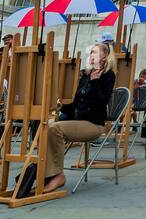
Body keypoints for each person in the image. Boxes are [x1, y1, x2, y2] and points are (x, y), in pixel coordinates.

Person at [43, 43, 117, 193]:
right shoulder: (86, 75)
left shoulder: (108, 76)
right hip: (78, 121)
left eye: (95, 52)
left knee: (55, 128)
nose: (91, 55)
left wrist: (96, 82)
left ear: (105, 56)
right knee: (46, 126)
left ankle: (58, 175)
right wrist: (61, 106)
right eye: (90, 53)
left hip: (93, 124)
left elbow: (102, 102)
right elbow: (75, 105)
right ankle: (44, 174)